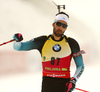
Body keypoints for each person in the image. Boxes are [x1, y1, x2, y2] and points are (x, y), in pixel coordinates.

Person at [13, 12, 85, 92]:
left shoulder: (71, 43)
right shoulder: (43, 41)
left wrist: (74, 80)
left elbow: (80, 66)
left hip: (64, 85)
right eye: (58, 24)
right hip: (47, 85)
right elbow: (19, 47)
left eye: (64, 26)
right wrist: (17, 40)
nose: (60, 27)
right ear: (53, 24)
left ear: (66, 28)